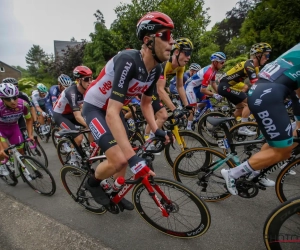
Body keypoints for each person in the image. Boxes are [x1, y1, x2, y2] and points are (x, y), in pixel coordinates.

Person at [82, 11, 173, 209]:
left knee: (126, 152)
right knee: (121, 159)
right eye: (165, 36)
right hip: (96, 108)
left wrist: (156, 129)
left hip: (113, 110)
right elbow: (112, 112)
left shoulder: (156, 69)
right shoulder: (128, 60)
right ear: (148, 41)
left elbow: (146, 104)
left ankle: (115, 189)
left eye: (171, 36)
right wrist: (133, 160)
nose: (171, 42)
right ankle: (93, 183)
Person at [221, 42, 300, 194]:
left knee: (274, 145)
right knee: (284, 151)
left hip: (264, 93)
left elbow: (297, 96)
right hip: (268, 96)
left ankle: (256, 171)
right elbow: (297, 98)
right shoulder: (250, 63)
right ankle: (233, 173)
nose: (267, 57)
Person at [144, 37, 193, 140]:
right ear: (176, 52)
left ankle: (147, 135)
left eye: (190, 54)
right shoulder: (164, 63)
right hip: (146, 87)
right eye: (187, 53)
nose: (189, 57)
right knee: (163, 116)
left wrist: (187, 105)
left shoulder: (181, 67)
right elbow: (160, 89)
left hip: (154, 87)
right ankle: (148, 142)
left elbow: (180, 87)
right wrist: (174, 110)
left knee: (158, 116)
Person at [218, 43, 272, 136]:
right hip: (224, 87)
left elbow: (260, 81)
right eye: (266, 55)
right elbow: (255, 84)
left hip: (227, 86)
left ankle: (225, 124)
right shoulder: (249, 65)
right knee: (249, 103)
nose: (268, 58)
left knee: (242, 108)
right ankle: (243, 128)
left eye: (269, 55)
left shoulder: (255, 67)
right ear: (258, 55)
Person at [53, 66, 92, 152]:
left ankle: (91, 149)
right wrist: (89, 124)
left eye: (91, 78)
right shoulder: (72, 92)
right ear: (78, 80)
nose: (89, 82)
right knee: (78, 137)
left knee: (91, 124)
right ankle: (72, 158)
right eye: (86, 79)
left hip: (71, 113)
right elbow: (78, 116)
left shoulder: (87, 90)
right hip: (60, 115)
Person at [184, 52, 225, 130]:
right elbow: (203, 90)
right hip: (190, 87)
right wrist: (214, 95)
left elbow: (213, 83)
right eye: (222, 62)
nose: (223, 64)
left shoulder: (214, 70)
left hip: (196, 86)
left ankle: (197, 113)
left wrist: (219, 93)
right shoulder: (208, 72)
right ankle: (188, 128)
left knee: (205, 101)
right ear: (215, 62)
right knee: (193, 107)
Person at [0, 83, 33, 175]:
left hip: (14, 127)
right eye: (8, 99)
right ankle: (1, 165)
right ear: (2, 99)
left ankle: (23, 170)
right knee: (4, 151)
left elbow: (29, 120)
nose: (12, 101)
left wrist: (30, 134)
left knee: (21, 150)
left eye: (15, 97)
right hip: (1, 130)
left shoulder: (23, 104)